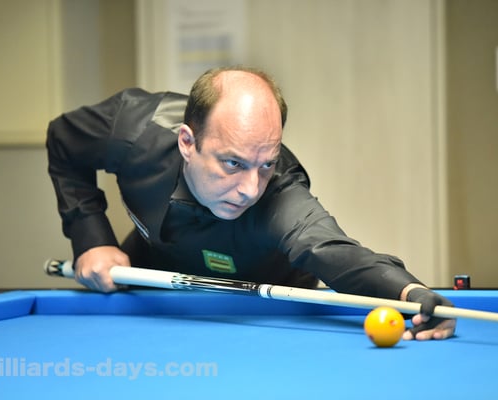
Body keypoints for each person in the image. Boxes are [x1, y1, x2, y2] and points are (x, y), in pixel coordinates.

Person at [47, 65, 456, 341]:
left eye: (266, 165)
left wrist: (408, 291)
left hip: (269, 311)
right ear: (187, 142)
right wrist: (91, 238)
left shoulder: (280, 193)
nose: (250, 189)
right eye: (233, 163)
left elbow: (331, 250)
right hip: (153, 285)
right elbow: (64, 141)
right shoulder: (133, 130)